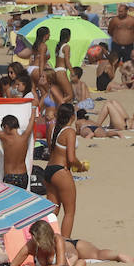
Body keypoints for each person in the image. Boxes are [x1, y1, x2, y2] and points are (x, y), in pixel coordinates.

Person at [43, 102, 81, 237]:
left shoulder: (53, 128)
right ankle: (65, 243)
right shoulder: (69, 131)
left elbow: (51, 148)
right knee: (69, 212)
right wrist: (80, 165)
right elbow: (71, 158)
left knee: (53, 210)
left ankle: (42, 237)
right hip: (60, 171)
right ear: (72, 116)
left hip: (49, 169)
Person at [0, 112, 32, 189]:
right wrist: (34, 107)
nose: (3, 131)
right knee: (21, 198)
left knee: (11, 199)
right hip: (23, 175)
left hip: (10, 176)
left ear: (7, 126)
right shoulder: (25, 137)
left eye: (3, 128)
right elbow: (31, 121)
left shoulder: (5, 138)